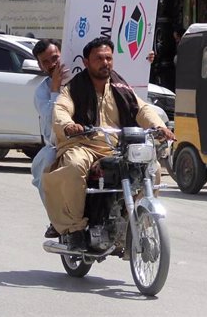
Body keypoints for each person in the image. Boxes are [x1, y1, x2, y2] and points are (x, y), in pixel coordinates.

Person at [42, 37, 175, 251]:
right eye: (99, 59)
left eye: (108, 58)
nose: (105, 63)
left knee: (152, 168)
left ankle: (135, 221)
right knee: (74, 166)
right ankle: (74, 229)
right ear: (86, 62)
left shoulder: (121, 87)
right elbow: (61, 108)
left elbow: (142, 109)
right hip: (82, 144)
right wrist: (68, 125)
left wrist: (160, 127)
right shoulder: (74, 88)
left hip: (115, 147)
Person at [30, 39, 67, 238]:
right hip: (59, 145)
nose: (52, 64)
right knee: (41, 167)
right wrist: (55, 88)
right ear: (40, 66)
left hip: (96, 141)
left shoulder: (82, 77)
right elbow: (53, 120)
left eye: (55, 58)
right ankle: (57, 219)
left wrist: (144, 61)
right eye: (46, 62)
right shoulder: (42, 92)